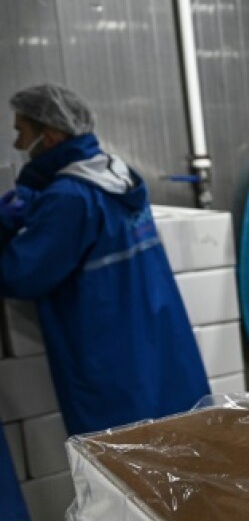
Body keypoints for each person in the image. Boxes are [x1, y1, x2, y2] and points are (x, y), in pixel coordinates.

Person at [1, 84, 209, 438]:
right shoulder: (118, 175)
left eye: (21, 132)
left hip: (108, 358)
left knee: (123, 460)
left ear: (49, 136)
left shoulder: (68, 196)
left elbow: (21, 274)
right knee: (179, 447)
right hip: (158, 339)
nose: (18, 145)